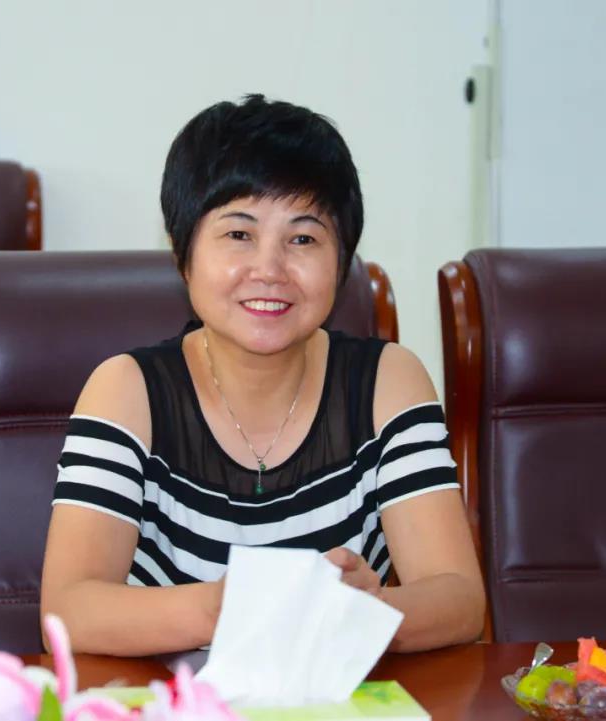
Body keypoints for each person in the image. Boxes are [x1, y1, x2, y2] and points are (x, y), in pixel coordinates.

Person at [40, 94, 484, 656]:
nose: (270, 270)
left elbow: (460, 599)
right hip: (171, 694)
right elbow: (68, 610)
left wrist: (365, 612)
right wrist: (226, 609)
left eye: (303, 239)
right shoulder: (127, 391)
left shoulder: (387, 382)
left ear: (341, 261)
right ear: (183, 253)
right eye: (239, 234)